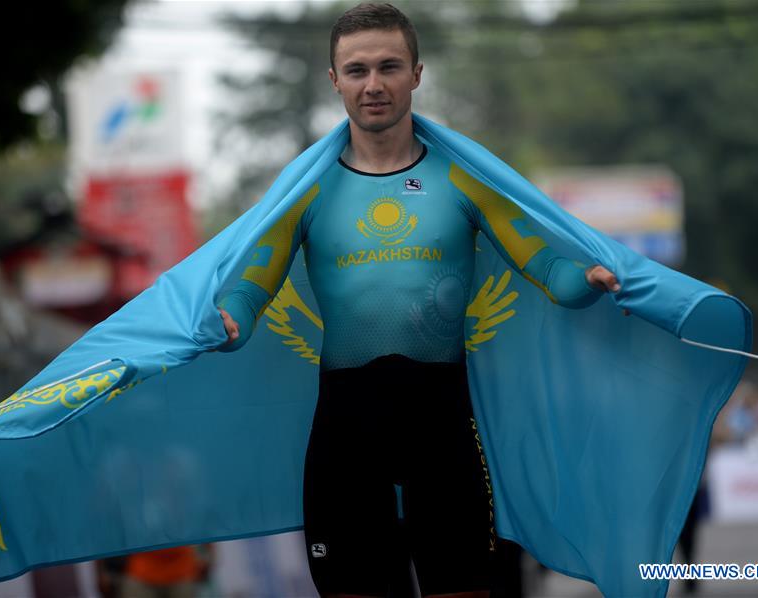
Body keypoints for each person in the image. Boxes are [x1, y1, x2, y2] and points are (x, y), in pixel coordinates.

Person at [214, 4, 623, 597]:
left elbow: (548, 268)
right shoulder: (306, 192)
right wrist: (233, 322)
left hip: (445, 433)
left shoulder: (464, 179)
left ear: (417, 73)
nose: (373, 84)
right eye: (356, 70)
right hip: (344, 438)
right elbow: (252, 286)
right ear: (334, 80)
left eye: (389, 66)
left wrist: (588, 283)